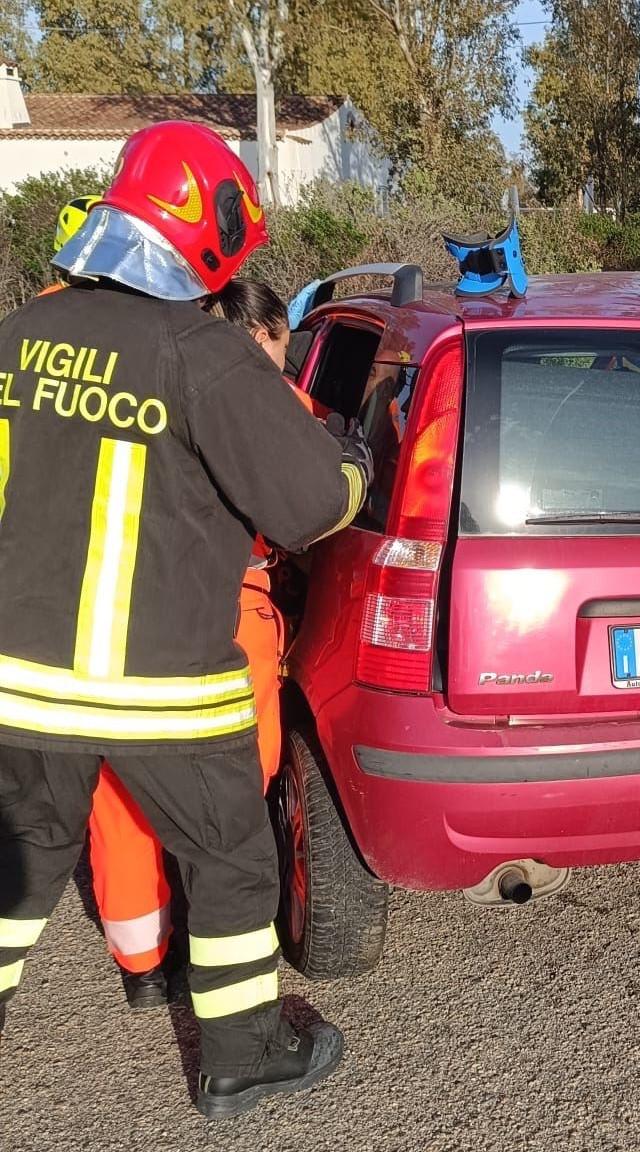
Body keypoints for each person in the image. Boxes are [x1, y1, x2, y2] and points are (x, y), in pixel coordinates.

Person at [0, 121, 371, 1120]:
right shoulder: (202, 353)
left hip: (18, 683)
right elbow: (308, 505)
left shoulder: (17, 337)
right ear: (211, 229)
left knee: (17, 868)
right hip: (161, 683)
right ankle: (241, 1058)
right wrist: (356, 465)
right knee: (231, 862)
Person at [84, 279, 315, 1010]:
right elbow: (306, 507)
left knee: (121, 794)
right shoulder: (266, 402)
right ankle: (229, 972)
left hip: (111, 617)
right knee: (234, 789)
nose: (283, 363)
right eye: (282, 346)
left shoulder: (121, 390)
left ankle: (145, 966)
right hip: (223, 614)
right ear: (259, 336)